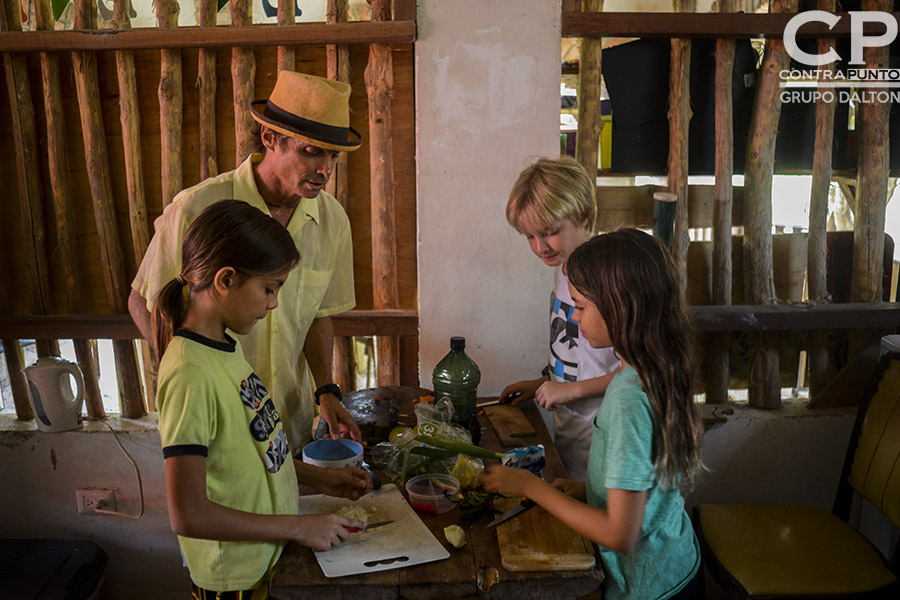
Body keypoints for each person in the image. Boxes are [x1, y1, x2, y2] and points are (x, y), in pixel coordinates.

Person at [130, 70, 361, 450]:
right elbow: (144, 301)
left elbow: (319, 316)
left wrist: (326, 392)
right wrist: (194, 379)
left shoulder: (332, 221)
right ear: (270, 138)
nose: (325, 170)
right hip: (216, 424)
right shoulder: (198, 208)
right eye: (311, 151)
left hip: (289, 422)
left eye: (332, 156)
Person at [154, 201, 373, 599]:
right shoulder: (190, 374)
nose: (273, 303)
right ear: (225, 280)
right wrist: (299, 526)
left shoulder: (224, 348)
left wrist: (318, 478)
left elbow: (247, 457)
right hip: (236, 580)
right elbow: (188, 514)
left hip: (267, 559)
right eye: (268, 289)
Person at [484, 229, 704, 600]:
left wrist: (530, 487)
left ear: (621, 307)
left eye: (582, 307)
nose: (574, 316)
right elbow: (645, 484)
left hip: (650, 588)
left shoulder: (628, 400)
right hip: (675, 564)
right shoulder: (648, 370)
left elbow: (619, 534)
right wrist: (587, 491)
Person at [500, 156, 620, 481]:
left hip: (608, 444)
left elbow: (641, 373)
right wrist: (545, 382)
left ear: (583, 216)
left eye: (549, 232)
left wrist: (570, 392)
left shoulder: (607, 280)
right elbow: (577, 353)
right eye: (529, 237)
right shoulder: (565, 271)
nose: (540, 248)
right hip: (571, 436)